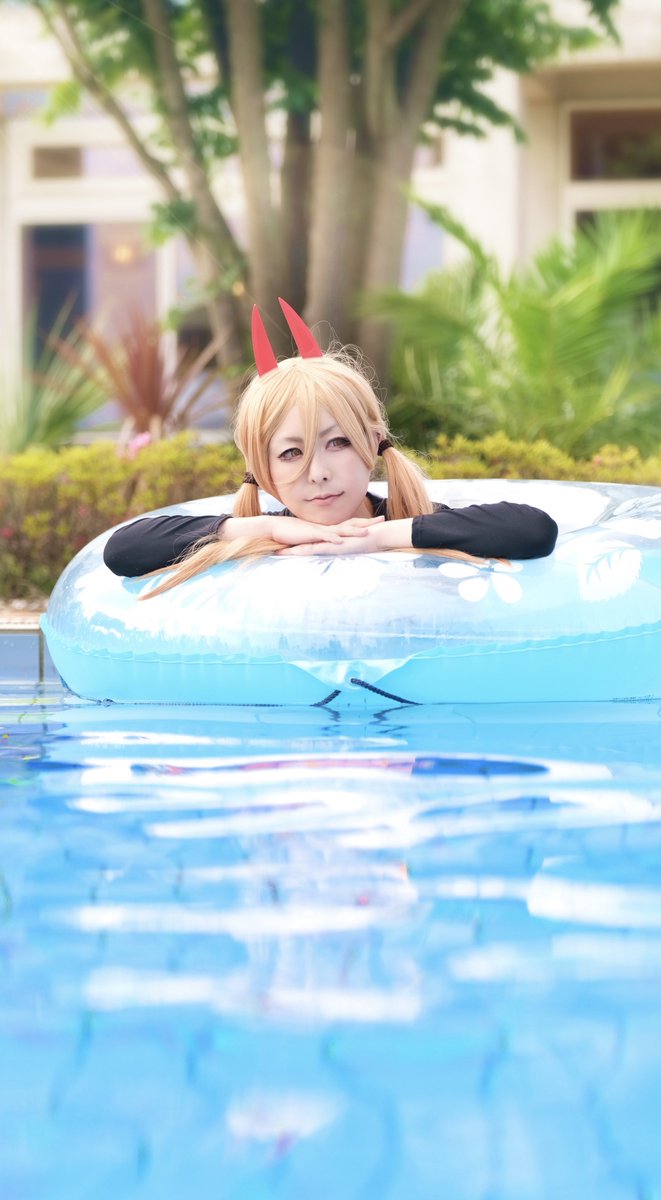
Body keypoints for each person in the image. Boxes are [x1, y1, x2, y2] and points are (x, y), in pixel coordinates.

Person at [104, 298, 558, 596]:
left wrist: (376, 538)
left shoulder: (412, 519)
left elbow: (533, 530)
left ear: (373, 442)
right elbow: (123, 550)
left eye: (337, 442)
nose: (318, 471)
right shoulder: (265, 533)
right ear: (262, 469)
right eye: (290, 453)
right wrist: (269, 529)